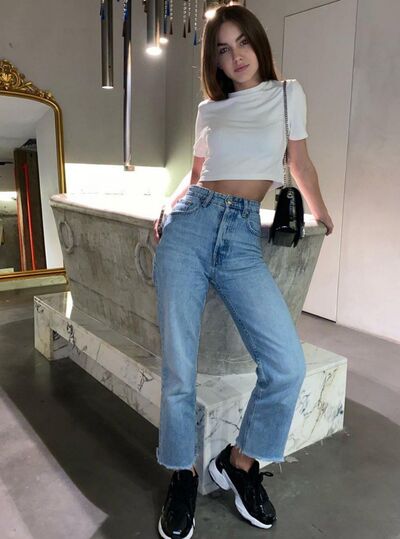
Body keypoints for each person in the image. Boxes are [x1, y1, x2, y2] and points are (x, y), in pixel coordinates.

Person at [152, 4, 334, 539]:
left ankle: (239, 462)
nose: (236, 57)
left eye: (243, 43)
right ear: (214, 60)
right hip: (189, 228)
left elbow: (299, 163)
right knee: (180, 370)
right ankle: (182, 474)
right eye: (223, 50)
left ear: (259, 42)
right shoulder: (209, 110)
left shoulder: (287, 94)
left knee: (287, 365)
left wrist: (322, 213)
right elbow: (195, 176)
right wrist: (169, 204)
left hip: (240, 237)